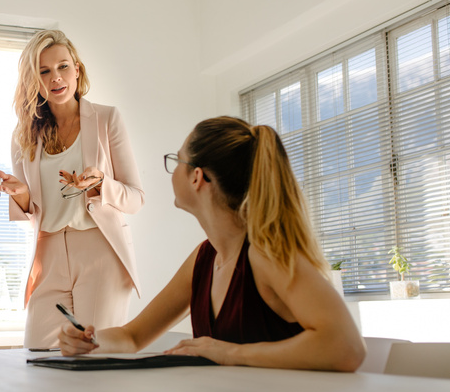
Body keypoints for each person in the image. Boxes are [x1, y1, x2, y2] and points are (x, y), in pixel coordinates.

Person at [59, 116, 366, 372]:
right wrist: (91, 340)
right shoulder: (205, 258)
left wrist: (229, 354)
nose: (172, 170)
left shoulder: (264, 255)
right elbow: (132, 336)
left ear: (197, 177)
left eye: (176, 161)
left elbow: (346, 346)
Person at [0, 30, 144, 349]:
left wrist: (101, 182)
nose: (55, 78)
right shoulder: (24, 137)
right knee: (36, 354)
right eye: (43, 71)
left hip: (99, 250)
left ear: (77, 69)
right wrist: (20, 194)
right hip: (48, 253)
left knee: (95, 353)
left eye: (62, 67)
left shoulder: (106, 119)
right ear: (34, 81)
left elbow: (135, 198)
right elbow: (30, 213)